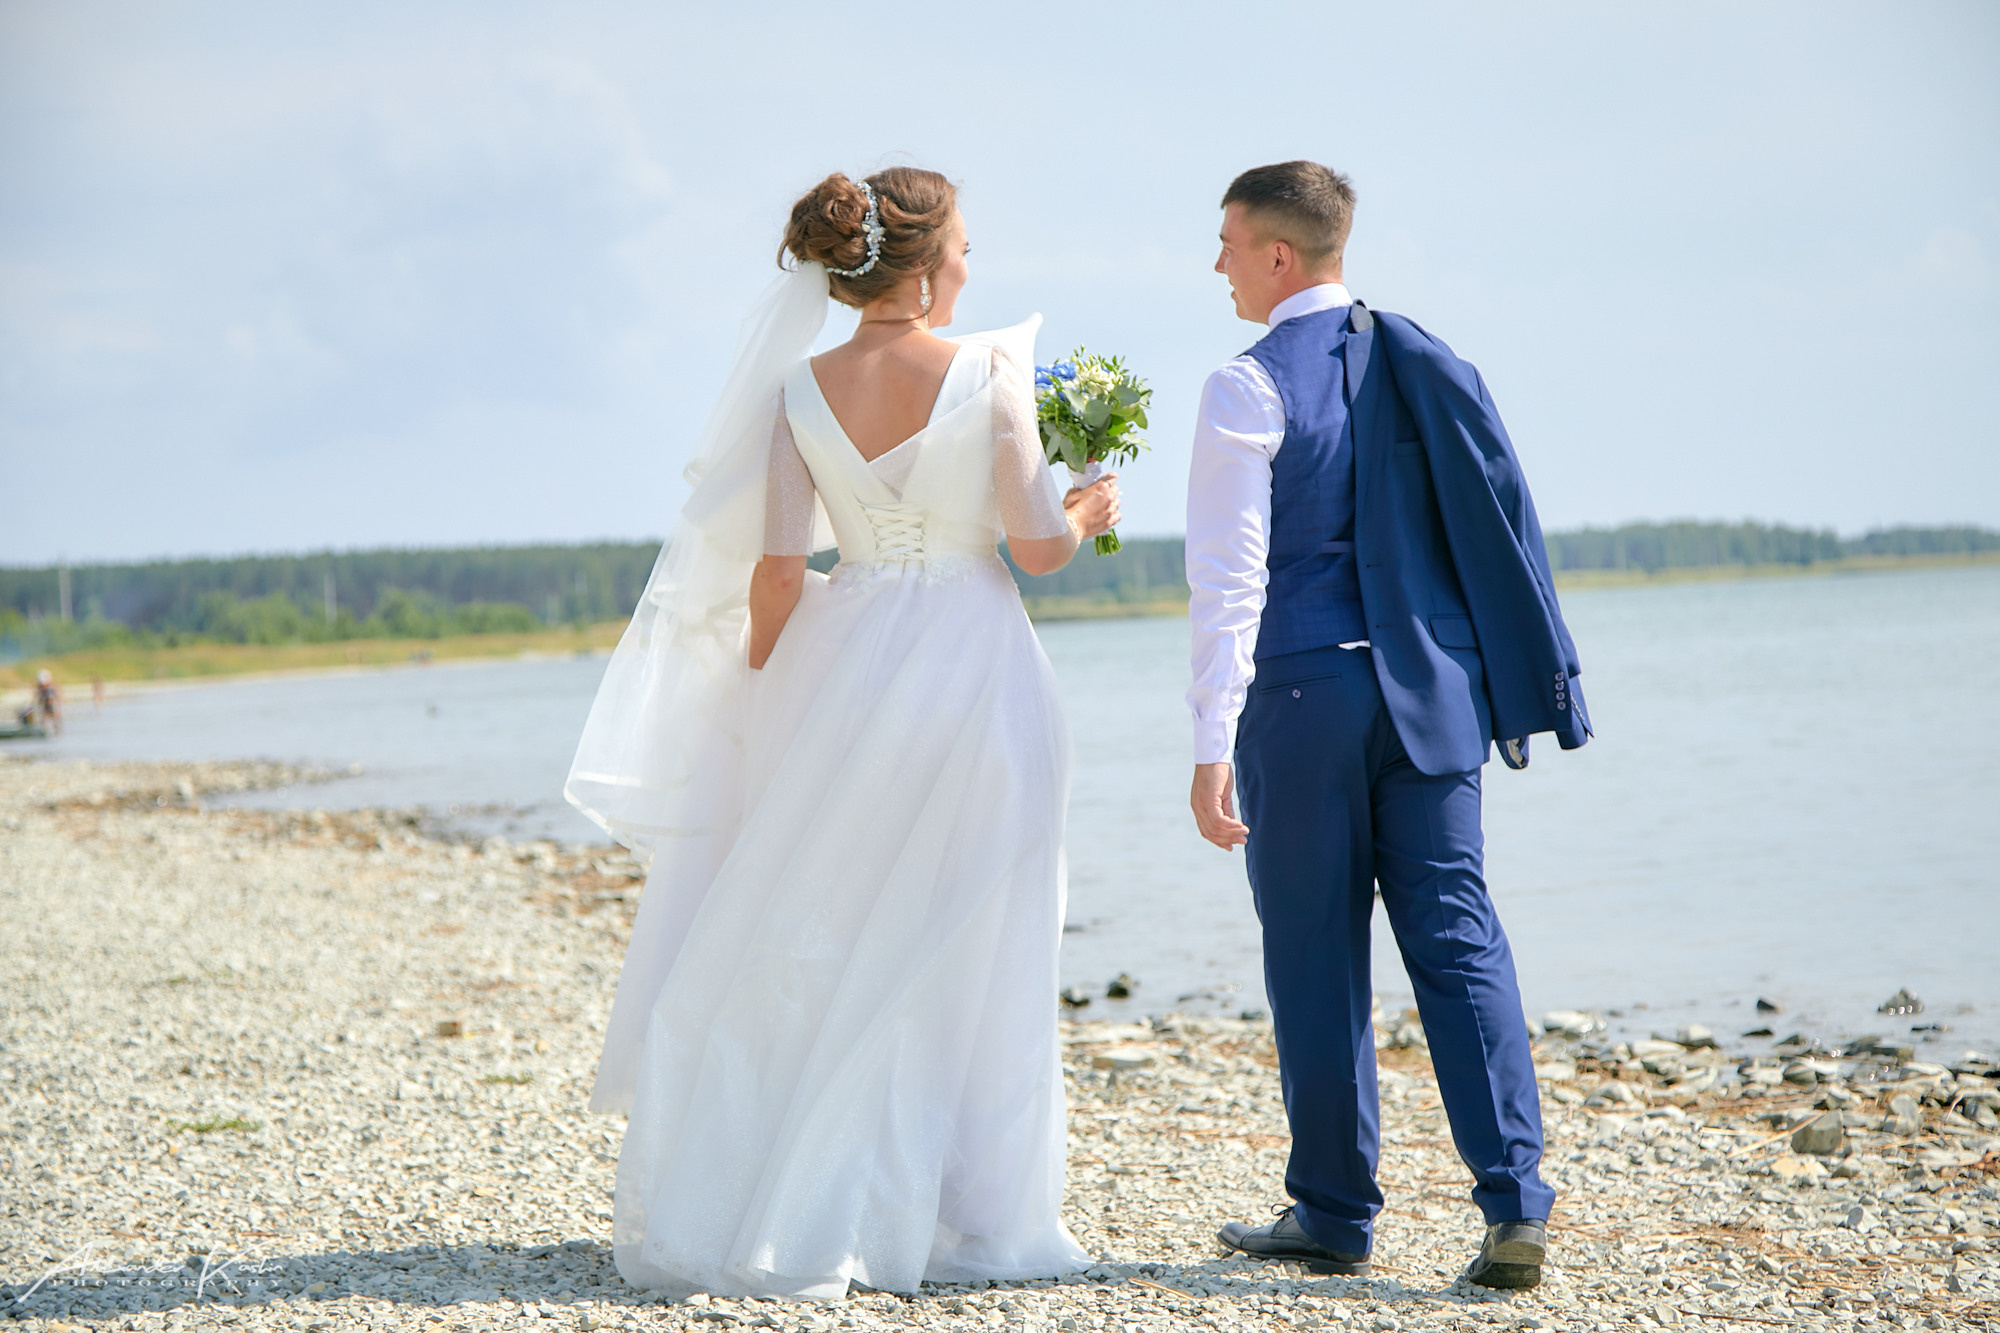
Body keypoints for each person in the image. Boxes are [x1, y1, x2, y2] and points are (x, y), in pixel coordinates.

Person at [566, 167, 1119, 1299]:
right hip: (972, 664)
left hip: (848, 661)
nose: (971, 264)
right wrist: (1083, 505)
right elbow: (1035, 552)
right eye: (964, 244)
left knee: (827, 928)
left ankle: (793, 1183)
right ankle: (970, 1216)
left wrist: (767, 687)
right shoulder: (987, 376)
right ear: (923, 263)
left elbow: (777, 573)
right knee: (979, 930)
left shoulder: (795, 391)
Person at [1185, 162, 1591, 1290]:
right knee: (1458, 942)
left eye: (1225, 241)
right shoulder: (1418, 359)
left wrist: (1209, 743)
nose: (1213, 261)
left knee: (1312, 954)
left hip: (1303, 699)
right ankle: (1514, 1204)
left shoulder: (1243, 384)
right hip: (1433, 698)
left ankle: (1331, 1210)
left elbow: (1228, 579)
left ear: (1277, 255)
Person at [33, 669, 62, 734]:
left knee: (53, 714)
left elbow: (56, 694)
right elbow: (37, 695)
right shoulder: (40, 686)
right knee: (44, 715)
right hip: (44, 702)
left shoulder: (51, 686)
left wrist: (58, 700)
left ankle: (56, 728)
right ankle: (44, 729)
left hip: (49, 702)